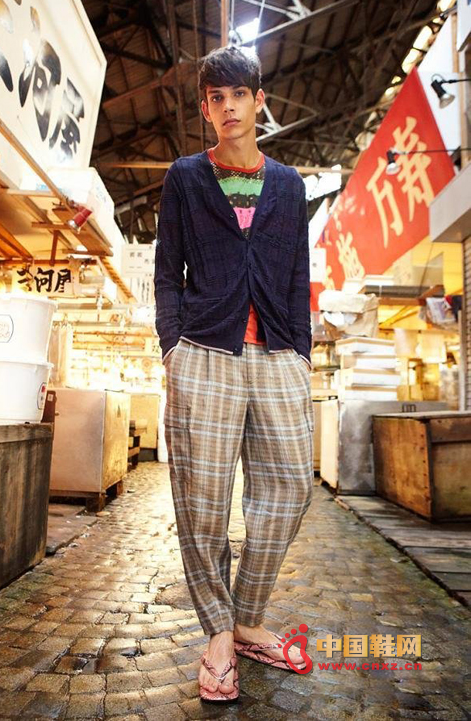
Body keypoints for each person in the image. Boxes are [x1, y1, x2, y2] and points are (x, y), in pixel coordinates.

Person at [154, 45, 314, 703]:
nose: (227, 107)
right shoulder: (185, 177)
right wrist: (171, 346)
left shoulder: (290, 186)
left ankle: (246, 614)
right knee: (203, 501)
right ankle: (220, 634)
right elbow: (168, 270)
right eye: (215, 98)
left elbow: (299, 274)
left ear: (258, 101)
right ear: (205, 109)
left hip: (276, 355)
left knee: (292, 484)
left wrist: (302, 353)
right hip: (204, 353)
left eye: (238, 95)